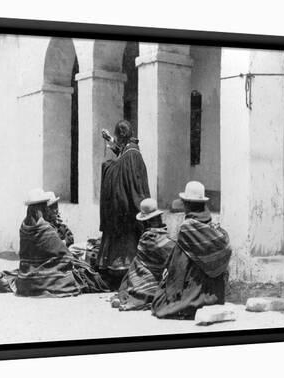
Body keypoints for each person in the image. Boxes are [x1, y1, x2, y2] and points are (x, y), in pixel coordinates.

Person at [0, 188, 108, 296]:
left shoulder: (24, 228)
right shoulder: (45, 229)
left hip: (25, 277)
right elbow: (65, 256)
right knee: (89, 276)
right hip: (46, 279)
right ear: (41, 209)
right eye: (45, 207)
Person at [151, 181, 232, 320]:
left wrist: (171, 288)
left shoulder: (187, 228)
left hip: (195, 290)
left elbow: (179, 265)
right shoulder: (213, 227)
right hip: (216, 294)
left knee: (159, 304)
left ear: (187, 204)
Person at [98, 120, 151, 289]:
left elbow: (130, 177)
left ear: (122, 136)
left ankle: (126, 276)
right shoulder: (130, 150)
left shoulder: (132, 154)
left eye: (116, 137)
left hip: (126, 208)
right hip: (123, 207)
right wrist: (111, 141)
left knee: (126, 246)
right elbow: (122, 158)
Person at [113, 198, 175, 311]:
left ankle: (133, 290)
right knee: (137, 262)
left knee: (135, 263)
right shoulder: (153, 238)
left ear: (145, 222)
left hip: (148, 277)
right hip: (155, 278)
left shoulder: (150, 237)